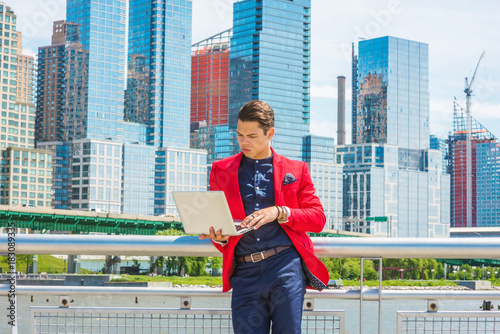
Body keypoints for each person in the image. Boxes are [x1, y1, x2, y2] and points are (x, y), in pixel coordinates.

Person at [199, 101, 329, 333]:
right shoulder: (220, 170)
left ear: (270, 134)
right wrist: (218, 237)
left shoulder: (297, 170)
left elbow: (317, 218)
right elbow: (219, 220)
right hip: (244, 272)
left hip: (285, 268)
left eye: (251, 135)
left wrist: (279, 212)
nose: (244, 142)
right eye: (239, 135)